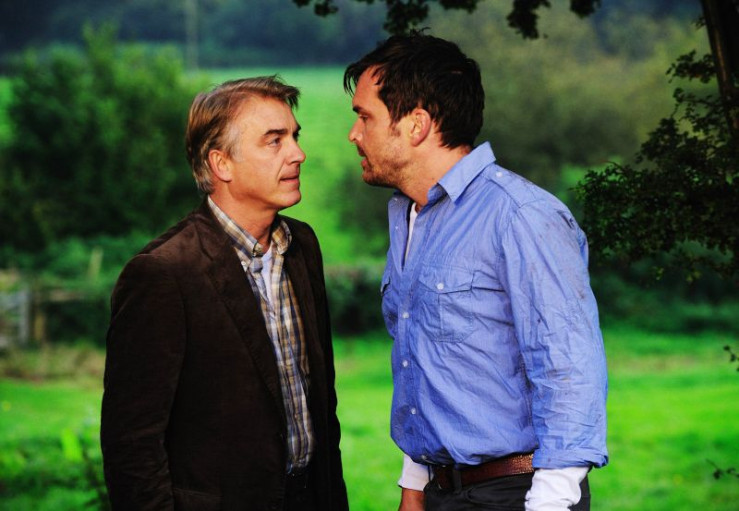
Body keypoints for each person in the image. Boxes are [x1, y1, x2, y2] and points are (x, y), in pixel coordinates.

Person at [344, 33, 608, 511]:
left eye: (365, 117)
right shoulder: (409, 216)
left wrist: (549, 504)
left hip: (517, 494)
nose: (354, 134)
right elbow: (430, 368)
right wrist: (414, 485)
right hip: (441, 490)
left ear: (417, 124)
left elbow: (568, 371)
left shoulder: (521, 215)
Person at [101, 76, 349, 511]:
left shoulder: (303, 245)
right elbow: (132, 447)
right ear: (222, 164)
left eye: (294, 136)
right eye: (274, 140)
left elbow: (322, 408)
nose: (298, 154)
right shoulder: (163, 273)